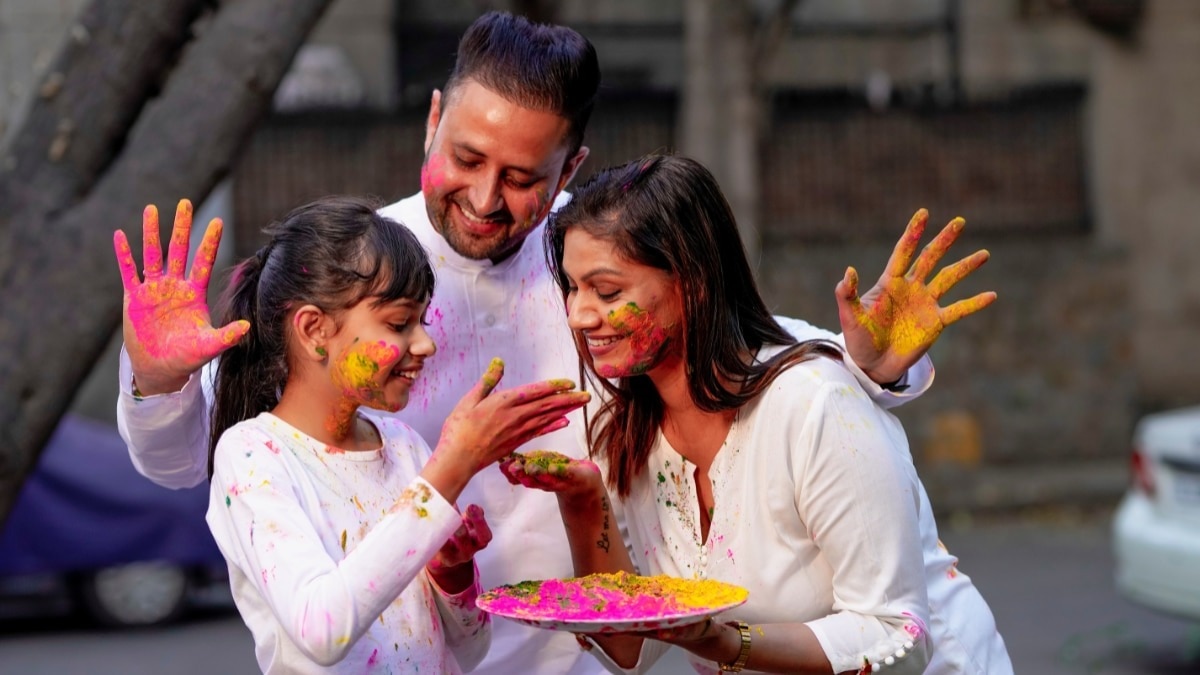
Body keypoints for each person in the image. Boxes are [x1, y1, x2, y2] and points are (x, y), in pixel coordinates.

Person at [114, 12, 991, 674]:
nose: (484, 198)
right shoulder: (358, 274)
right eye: (465, 158)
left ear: (569, 170)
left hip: (591, 656)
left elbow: (729, 347)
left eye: (521, 177)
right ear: (431, 123)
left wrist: (875, 368)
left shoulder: (587, 263)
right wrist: (157, 380)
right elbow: (194, 458)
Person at [499, 154, 1010, 674]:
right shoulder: (626, 428)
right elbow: (632, 648)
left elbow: (897, 638)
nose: (578, 315)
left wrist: (729, 644)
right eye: (571, 287)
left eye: (607, 291)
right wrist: (584, 502)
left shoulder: (815, 403)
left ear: (692, 282)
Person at [112, 195, 590, 673]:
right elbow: (322, 631)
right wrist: (453, 465)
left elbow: (468, 652)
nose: (426, 343)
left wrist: (452, 574)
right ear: (314, 329)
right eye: (399, 323)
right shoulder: (254, 457)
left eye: (422, 321)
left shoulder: (403, 445)